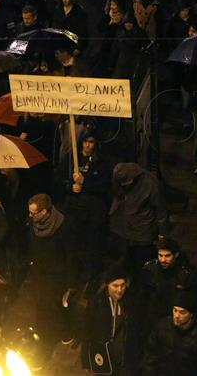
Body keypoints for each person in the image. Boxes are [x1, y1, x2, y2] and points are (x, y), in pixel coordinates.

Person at [26, 193, 79, 363]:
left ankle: (62, 332)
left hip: (57, 274)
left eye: (34, 213)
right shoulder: (34, 225)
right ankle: (44, 336)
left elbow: (71, 255)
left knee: (55, 305)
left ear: (45, 212)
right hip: (40, 273)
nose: (31, 216)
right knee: (41, 305)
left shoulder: (63, 226)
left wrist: (71, 284)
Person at [64, 129, 112, 284]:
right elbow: (58, 179)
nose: (88, 145)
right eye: (85, 141)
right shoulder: (71, 158)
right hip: (75, 210)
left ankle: (92, 278)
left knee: (92, 246)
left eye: (91, 142)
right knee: (74, 245)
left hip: (94, 212)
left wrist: (86, 183)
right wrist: (70, 187)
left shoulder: (102, 162)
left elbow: (104, 186)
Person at [80, 263, 145, 376]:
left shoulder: (134, 302)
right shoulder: (96, 303)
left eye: (123, 285)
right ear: (107, 285)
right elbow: (87, 332)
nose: (120, 290)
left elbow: (140, 331)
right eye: (115, 285)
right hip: (104, 358)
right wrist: (86, 361)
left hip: (127, 361)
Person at [109, 163, 169, 278]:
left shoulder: (150, 183)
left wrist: (162, 233)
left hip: (142, 230)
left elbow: (161, 210)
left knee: (142, 264)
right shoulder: (118, 180)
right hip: (122, 229)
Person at [141, 291, 197, 376]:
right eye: (175, 310)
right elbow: (150, 353)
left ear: (191, 314)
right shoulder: (162, 327)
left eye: (182, 312)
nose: (177, 316)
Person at [141, 238, 197, 324]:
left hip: (177, 319)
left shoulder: (188, 274)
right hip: (155, 318)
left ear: (176, 255)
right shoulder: (150, 269)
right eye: (160, 255)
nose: (163, 260)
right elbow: (143, 294)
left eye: (167, 256)